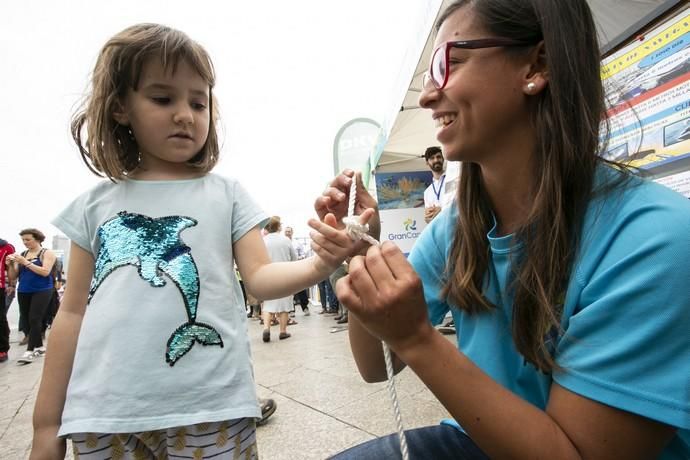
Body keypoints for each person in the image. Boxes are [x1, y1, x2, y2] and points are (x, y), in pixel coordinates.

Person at [316, 1, 690, 458]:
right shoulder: (455, 228)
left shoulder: (656, 240)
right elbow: (376, 364)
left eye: (448, 63)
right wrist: (360, 247)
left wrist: (418, 337)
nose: (430, 95)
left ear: (537, 65)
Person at [30, 23, 370, 460]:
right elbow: (72, 312)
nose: (185, 115)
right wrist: (47, 425)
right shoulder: (91, 206)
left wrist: (321, 264)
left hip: (213, 406)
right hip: (104, 414)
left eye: (198, 101)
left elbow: (260, 277)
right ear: (119, 107)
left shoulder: (226, 193)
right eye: (162, 98)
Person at [7, 229, 56, 364]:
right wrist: (10, 264)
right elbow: (12, 277)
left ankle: (29, 351)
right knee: (27, 320)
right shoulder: (23, 254)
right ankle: (40, 347)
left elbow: (45, 272)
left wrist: (26, 262)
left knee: (35, 318)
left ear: (38, 239)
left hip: (42, 290)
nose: (25, 242)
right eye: (23, 240)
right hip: (23, 290)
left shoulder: (46, 253)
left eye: (28, 239)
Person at [261, 217, 297, 342]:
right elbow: (294, 258)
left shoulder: (263, 241)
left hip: (268, 274)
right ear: (279, 227)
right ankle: (283, 331)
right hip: (284, 274)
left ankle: (266, 328)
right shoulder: (286, 240)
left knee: (268, 304)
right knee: (284, 304)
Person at [285, 226, 311, 316]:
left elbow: (303, 254)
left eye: (289, 231)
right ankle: (291, 310)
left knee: (301, 288)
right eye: (286, 231)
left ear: (292, 232)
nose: (288, 233)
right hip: (286, 269)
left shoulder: (297, 243)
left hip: (297, 267)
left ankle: (305, 307)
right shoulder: (283, 243)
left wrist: (299, 258)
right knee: (289, 290)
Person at [0, 238, 15, 363]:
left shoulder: (7, 247)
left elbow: (11, 268)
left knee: (0, 318)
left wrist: (12, 285)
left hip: (0, 287)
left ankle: (2, 349)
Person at [422, 146, 445, 223]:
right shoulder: (427, 192)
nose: (436, 160)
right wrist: (427, 218)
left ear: (443, 159)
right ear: (427, 162)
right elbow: (429, 218)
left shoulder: (454, 180)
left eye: (438, 157)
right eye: (432, 158)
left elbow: (463, 204)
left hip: (458, 230)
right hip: (440, 232)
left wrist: (442, 210)